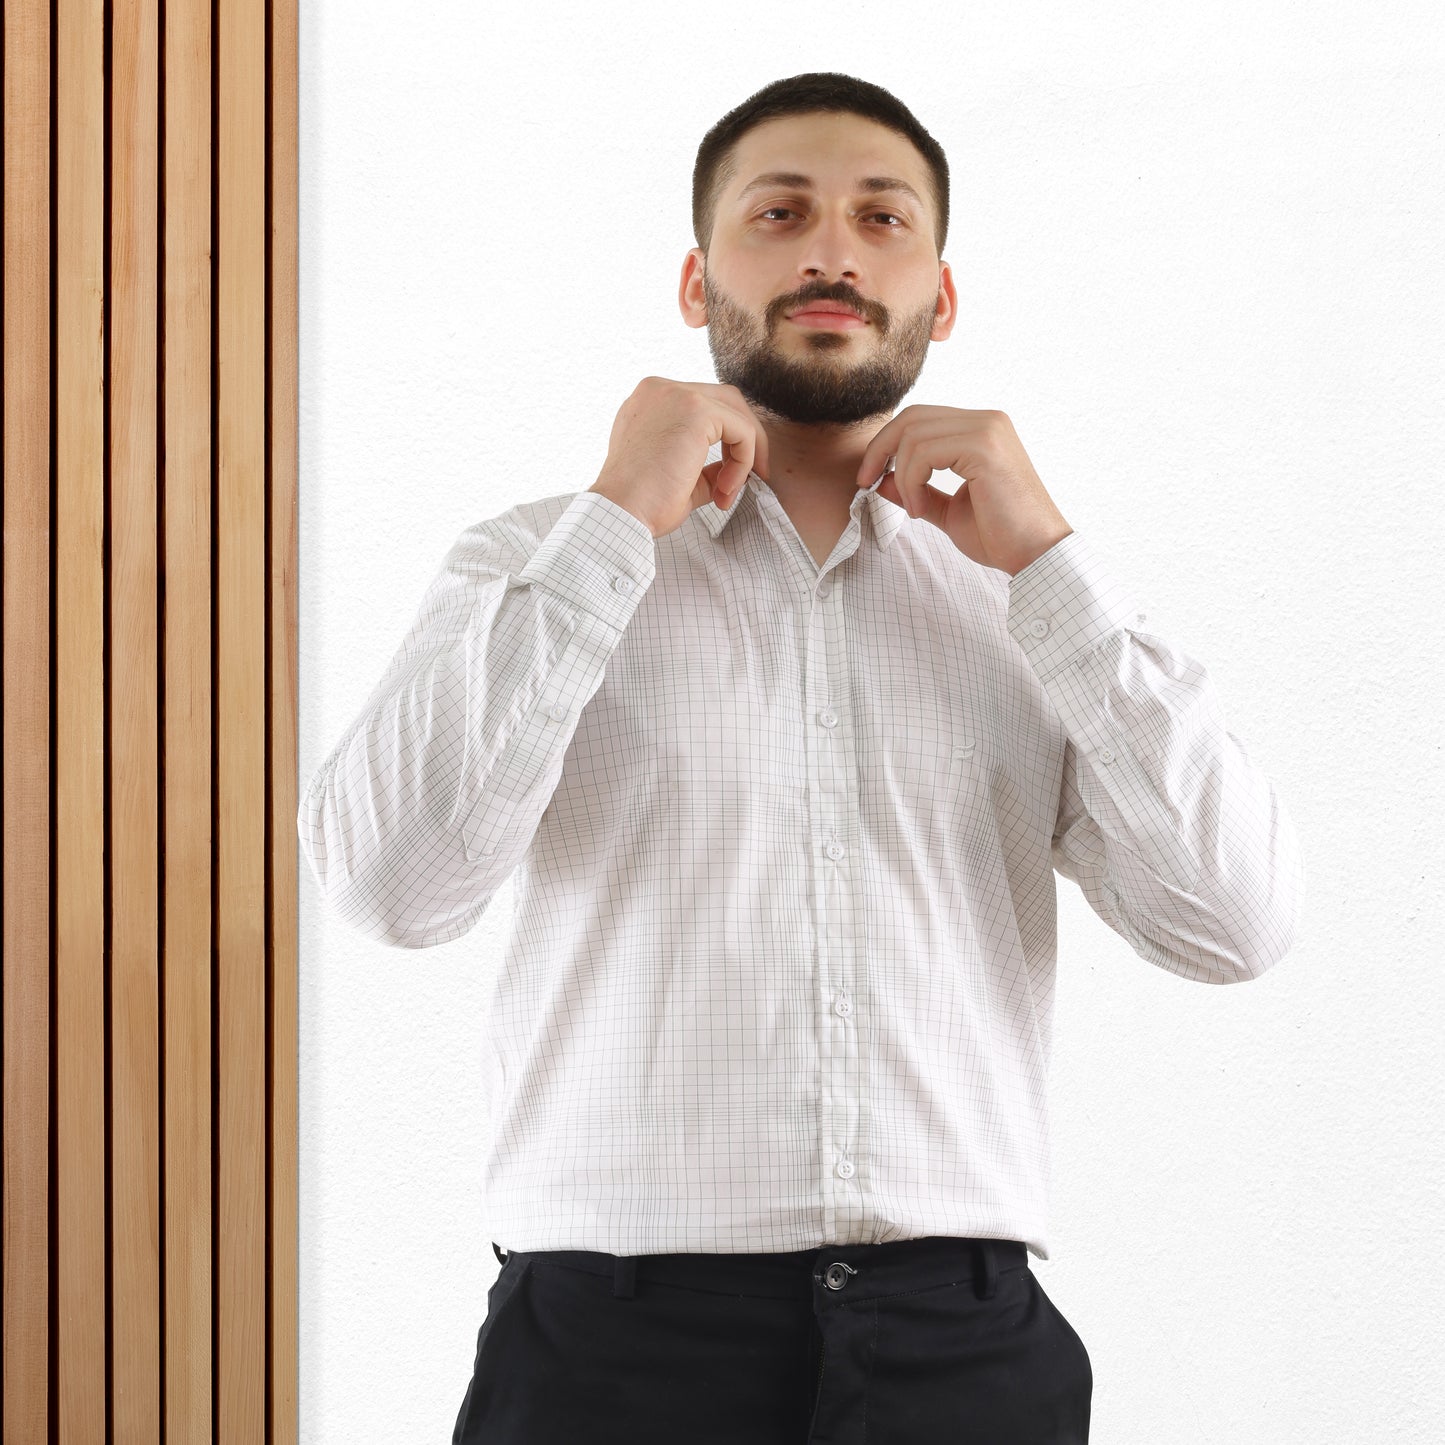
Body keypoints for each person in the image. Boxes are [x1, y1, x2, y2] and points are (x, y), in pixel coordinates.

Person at [298, 71, 1303, 1445]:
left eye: (881, 218)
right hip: (609, 1349)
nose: (832, 246)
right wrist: (609, 521)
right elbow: (392, 888)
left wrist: (1052, 567)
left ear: (939, 298)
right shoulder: (533, 561)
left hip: (967, 1345)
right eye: (780, 213)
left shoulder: (1032, 605)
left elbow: (1233, 923)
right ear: (697, 277)